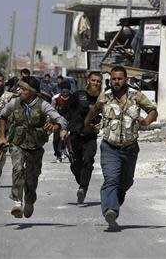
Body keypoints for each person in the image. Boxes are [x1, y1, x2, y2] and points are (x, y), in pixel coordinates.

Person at [84, 66, 158, 229]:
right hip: (110, 146)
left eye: (120, 79)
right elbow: (94, 111)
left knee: (125, 182)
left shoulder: (136, 95)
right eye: (114, 79)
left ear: (125, 80)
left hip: (130, 148)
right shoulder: (105, 97)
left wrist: (146, 121)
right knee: (111, 180)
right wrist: (88, 124)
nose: (116, 82)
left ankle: (116, 199)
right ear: (111, 80)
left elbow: (153, 111)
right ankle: (110, 210)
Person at [0, 76, 67, 218]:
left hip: (35, 146)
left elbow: (61, 120)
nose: (19, 91)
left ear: (32, 92)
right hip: (17, 143)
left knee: (31, 177)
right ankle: (17, 202)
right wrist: (2, 137)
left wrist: (55, 126)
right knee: (18, 169)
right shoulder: (14, 102)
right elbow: (3, 116)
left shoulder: (43, 105)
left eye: (23, 89)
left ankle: (29, 201)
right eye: (19, 88)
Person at [66, 71, 103, 204]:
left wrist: (100, 125)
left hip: (90, 136)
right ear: (88, 80)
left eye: (98, 81)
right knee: (76, 164)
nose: (96, 83)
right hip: (75, 134)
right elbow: (65, 111)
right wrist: (62, 128)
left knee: (88, 159)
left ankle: (83, 187)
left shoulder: (102, 99)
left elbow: (106, 116)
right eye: (94, 80)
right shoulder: (78, 95)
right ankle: (81, 181)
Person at [51, 81, 72, 163]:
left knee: (66, 138)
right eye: (63, 92)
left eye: (67, 92)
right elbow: (51, 110)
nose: (65, 94)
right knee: (56, 140)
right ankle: (57, 154)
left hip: (68, 121)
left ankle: (66, 151)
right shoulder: (56, 99)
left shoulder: (72, 98)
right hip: (58, 122)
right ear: (60, 91)